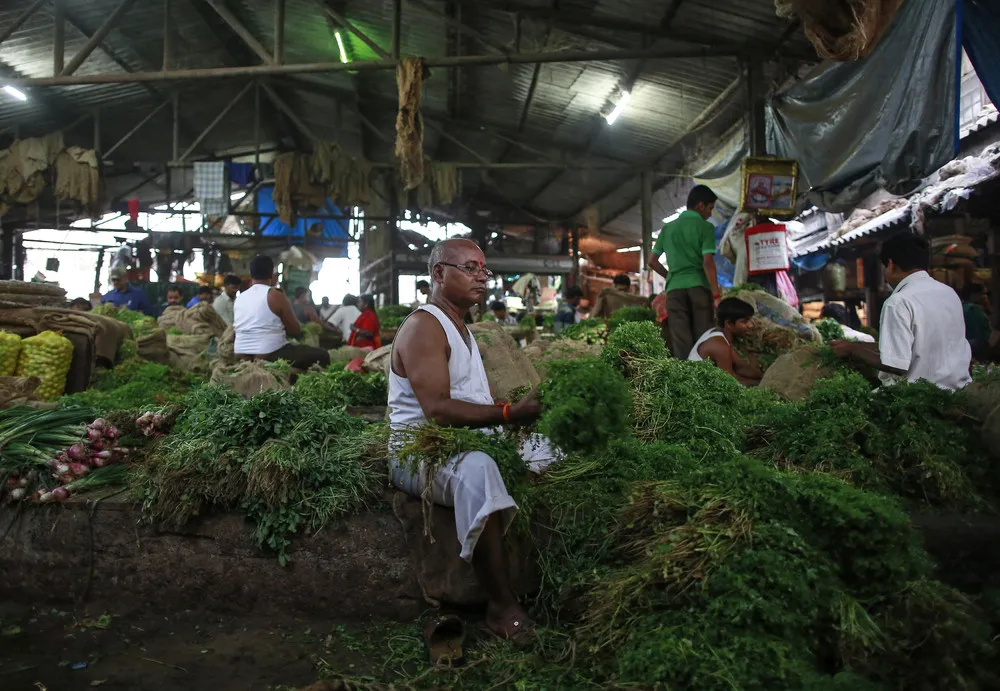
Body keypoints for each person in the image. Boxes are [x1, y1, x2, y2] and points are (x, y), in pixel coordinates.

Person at [388, 238, 559, 642]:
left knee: (555, 448)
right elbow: (438, 410)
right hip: (420, 451)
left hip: (465, 441)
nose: (481, 277)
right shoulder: (424, 326)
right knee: (479, 470)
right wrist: (509, 413)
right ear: (438, 273)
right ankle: (500, 606)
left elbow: (470, 399)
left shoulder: (461, 327)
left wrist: (515, 420)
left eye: (484, 269)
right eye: (469, 268)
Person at [830, 233, 971, 391]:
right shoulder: (949, 293)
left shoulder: (898, 302)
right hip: (958, 390)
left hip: (918, 396)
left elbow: (896, 365)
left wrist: (853, 349)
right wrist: (855, 345)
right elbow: (916, 346)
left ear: (890, 265)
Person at [649, 185, 720, 360]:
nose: (710, 213)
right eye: (710, 208)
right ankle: (704, 374)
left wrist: (671, 277)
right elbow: (708, 262)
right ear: (700, 205)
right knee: (703, 339)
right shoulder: (705, 227)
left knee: (681, 342)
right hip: (699, 288)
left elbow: (652, 262)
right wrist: (716, 295)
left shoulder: (668, 228)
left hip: (674, 291)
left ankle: (683, 375)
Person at [233, 255, 331, 370]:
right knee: (323, 355)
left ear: (251, 274)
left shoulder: (240, 298)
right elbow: (295, 329)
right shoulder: (274, 294)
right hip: (269, 353)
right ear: (271, 274)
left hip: (240, 352)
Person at [688, 297, 762, 386]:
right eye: (744, 321)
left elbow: (740, 367)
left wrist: (763, 375)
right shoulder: (720, 346)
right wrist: (763, 383)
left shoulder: (721, 333)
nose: (750, 325)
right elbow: (729, 383)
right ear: (729, 324)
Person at [961, 284, 992, 361]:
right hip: (977, 348)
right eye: (983, 294)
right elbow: (987, 333)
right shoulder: (975, 310)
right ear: (974, 295)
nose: (985, 297)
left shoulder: (960, 307)